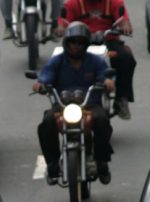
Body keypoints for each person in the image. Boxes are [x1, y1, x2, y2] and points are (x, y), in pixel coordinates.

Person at [34, 21, 115, 185]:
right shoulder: (57, 61)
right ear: (66, 43)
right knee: (47, 123)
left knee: (102, 121)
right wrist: (40, 84)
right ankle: (52, 164)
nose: (75, 46)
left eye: (80, 43)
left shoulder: (95, 61)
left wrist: (107, 82)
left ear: (85, 45)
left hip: (89, 105)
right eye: (72, 42)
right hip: (62, 106)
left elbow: (105, 75)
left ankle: (102, 161)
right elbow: (45, 76)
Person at [55, 0, 136, 119]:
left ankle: (122, 99)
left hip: (108, 41)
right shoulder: (73, 3)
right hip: (80, 42)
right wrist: (60, 28)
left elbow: (124, 19)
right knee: (62, 61)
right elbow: (62, 21)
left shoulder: (114, 1)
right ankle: (60, 98)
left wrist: (125, 26)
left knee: (126, 58)